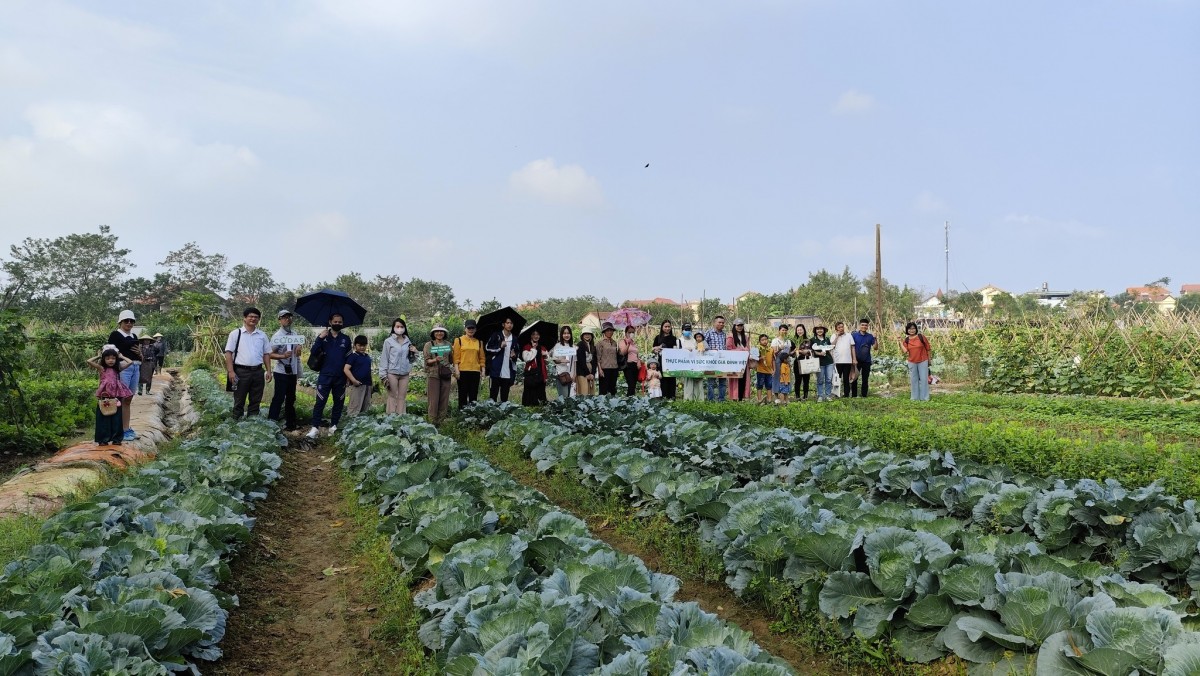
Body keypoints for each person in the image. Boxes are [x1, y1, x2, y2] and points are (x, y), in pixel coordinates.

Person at [306, 313, 353, 439]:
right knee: (320, 402)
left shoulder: (346, 339)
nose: (337, 324)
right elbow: (314, 352)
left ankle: (334, 427)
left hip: (340, 377)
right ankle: (315, 428)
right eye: (335, 321)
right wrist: (320, 338)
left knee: (339, 402)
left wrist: (348, 377)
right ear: (330, 322)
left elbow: (349, 359)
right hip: (325, 375)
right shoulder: (323, 337)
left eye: (340, 322)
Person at [224, 307, 273, 420]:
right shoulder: (236, 333)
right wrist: (231, 371)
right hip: (241, 372)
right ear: (245, 318)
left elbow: (266, 354)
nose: (253, 319)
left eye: (256, 317)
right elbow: (228, 353)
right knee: (239, 399)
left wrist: (268, 370)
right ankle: (236, 422)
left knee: (256, 399)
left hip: (257, 371)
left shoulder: (262, 335)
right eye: (251, 316)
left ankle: (252, 422)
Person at [87, 345, 133, 445]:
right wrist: (98, 356)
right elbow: (89, 361)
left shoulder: (118, 368)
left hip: (116, 396)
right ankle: (103, 439)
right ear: (104, 359)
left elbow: (130, 362)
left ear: (116, 359)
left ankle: (116, 439)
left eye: (113, 358)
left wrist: (121, 356)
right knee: (103, 417)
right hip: (104, 396)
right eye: (107, 358)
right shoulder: (101, 368)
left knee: (117, 418)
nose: (111, 360)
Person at [108, 310, 141, 441]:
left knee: (128, 399)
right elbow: (110, 351)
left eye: (131, 321)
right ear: (120, 322)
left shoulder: (133, 336)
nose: (129, 323)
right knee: (120, 399)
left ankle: (126, 428)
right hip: (123, 368)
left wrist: (140, 354)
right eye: (126, 320)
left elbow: (137, 352)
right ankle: (117, 429)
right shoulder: (115, 335)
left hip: (136, 367)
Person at [267, 310, 302, 430]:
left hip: (292, 371)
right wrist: (282, 356)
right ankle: (271, 423)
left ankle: (291, 424)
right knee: (279, 398)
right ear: (280, 320)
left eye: (289, 317)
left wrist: (299, 347)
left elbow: (298, 348)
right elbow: (269, 354)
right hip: (281, 372)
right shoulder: (277, 336)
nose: (287, 319)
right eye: (284, 317)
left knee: (291, 398)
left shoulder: (294, 334)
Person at [379, 318, 418, 415]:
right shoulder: (388, 341)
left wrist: (415, 352)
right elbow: (384, 358)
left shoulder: (408, 342)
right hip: (392, 373)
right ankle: (391, 419)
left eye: (401, 326)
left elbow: (412, 359)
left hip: (405, 374)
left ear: (404, 328)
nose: (399, 328)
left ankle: (401, 418)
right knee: (392, 396)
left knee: (402, 397)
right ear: (393, 328)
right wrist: (383, 375)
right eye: (397, 326)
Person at [424, 325, 454, 424]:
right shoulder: (429, 345)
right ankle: (432, 421)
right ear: (433, 333)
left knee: (444, 398)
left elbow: (451, 359)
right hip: (433, 374)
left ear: (444, 333)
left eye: (442, 331)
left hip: (445, 374)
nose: (439, 333)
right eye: (437, 331)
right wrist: (435, 360)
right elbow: (427, 360)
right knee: (433, 399)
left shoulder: (448, 345)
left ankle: (441, 421)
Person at [453, 319, 485, 408]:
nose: (471, 330)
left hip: (475, 371)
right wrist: (457, 371)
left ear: (475, 329)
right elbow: (456, 357)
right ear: (465, 329)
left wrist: (483, 370)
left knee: (473, 395)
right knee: (462, 394)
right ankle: (462, 414)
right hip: (463, 371)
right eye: (469, 328)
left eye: (473, 328)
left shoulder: (479, 342)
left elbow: (482, 358)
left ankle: (472, 415)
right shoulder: (458, 340)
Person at [485, 318, 519, 402]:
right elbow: (487, 348)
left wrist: (514, 356)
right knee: (493, 395)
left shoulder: (514, 338)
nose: (509, 325)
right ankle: (492, 412)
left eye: (511, 323)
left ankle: (503, 413)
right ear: (503, 324)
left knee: (504, 396)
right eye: (507, 323)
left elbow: (518, 352)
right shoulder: (496, 335)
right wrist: (500, 346)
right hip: (495, 369)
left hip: (508, 371)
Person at [901, 321, 932, 401]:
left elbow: (928, 349)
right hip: (912, 362)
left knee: (924, 379)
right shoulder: (907, 340)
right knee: (914, 380)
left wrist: (929, 360)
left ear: (916, 329)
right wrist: (899, 342)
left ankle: (925, 398)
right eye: (910, 329)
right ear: (907, 330)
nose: (912, 330)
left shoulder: (921, 337)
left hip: (923, 360)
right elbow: (905, 351)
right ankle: (914, 398)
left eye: (913, 328)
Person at [344, 335, 373, 417]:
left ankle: (361, 424)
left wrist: (371, 384)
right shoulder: (353, 356)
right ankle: (351, 423)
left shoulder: (367, 357)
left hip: (367, 384)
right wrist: (354, 381)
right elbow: (346, 369)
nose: (362, 347)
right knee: (355, 406)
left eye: (364, 345)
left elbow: (368, 371)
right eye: (359, 345)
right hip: (357, 384)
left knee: (365, 406)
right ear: (355, 345)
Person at [520, 328, 550, 406]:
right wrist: (533, 349)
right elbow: (526, 359)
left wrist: (546, 355)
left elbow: (547, 362)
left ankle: (541, 408)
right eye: (534, 334)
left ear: (539, 336)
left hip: (541, 373)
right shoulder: (527, 347)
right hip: (531, 374)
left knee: (541, 392)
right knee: (530, 393)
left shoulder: (543, 347)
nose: (536, 336)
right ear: (531, 336)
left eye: (537, 334)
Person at [650, 320, 679, 399]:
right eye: (665, 326)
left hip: (671, 363)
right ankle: (663, 397)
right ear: (662, 327)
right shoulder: (658, 337)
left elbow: (676, 349)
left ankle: (672, 397)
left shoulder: (674, 338)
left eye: (669, 326)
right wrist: (656, 348)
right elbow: (653, 349)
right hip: (661, 362)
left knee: (671, 379)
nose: (667, 328)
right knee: (663, 379)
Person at [703, 316, 728, 402]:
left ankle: (721, 399)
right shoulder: (708, 333)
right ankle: (711, 400)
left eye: (723, 323)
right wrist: (709, 349)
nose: (721, 324)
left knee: (723, 382)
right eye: (719, 322)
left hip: (722, 362)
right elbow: (702, 343)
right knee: (711, 382)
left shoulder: (724, 334)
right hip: (711, 362)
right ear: (714, 323)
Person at [725, 319, 751, 401]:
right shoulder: (730, 336)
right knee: (736, 379)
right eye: (738, 325)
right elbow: (728, 349)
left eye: (741, 325)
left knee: (743, 379)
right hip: (735, 362)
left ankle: (741, 397)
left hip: (744, 362)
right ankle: (734, 397)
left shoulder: (745, 337)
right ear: (734, 326)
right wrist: (740, 350)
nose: (740, 327)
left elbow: (748, 348)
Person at [831, 322, 857, 400]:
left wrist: (854, 358)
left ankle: (846, 394)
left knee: (846, 378)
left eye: (842, 327)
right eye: (839, 327)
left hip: (847, 361)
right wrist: (837, 336)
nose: (841, 328)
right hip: (837, 361)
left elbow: (852, 348)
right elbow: (832, 346)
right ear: (836, 329)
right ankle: (837, 393)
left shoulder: (849, 335)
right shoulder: (833, 336)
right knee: (837, 378)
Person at [679, 323, 704, 401]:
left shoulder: (694, 340)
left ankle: (699, 401)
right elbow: (677, 352)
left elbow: (700, 348)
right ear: (682, 330)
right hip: (686, 365)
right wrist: (685, 351)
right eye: (686, 329)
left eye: (689, 329)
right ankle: (688, 401)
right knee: (688, 383)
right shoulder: (679, 340)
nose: (688, 331)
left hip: (696, 364)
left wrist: (701, 348)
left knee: (698, 383)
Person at [852, 319, 876, 398]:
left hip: (867, 361)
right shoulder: (854, 335)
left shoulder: (870, 336)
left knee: (865, 379)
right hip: (856, 360)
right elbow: (851, 347)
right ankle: (854, 395)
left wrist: (875, 338)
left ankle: (864, 395)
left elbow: (875, 347)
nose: (864, 326)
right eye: (862, 325)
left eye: (865, 325)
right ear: (859, 325)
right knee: (854, 378)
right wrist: (853, 359)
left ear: (867, 326)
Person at [551, 326, 576, 400]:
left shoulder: (573, 347)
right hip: (562, 375)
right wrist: (562, 360)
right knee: (563, 397)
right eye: (564, 333)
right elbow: (554, 360)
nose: (566, 335)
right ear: (561, 335)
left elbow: (575, 362)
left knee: (571, 396)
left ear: (570, 334)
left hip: (571, 375)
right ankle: (562, 411)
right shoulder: (557, 346)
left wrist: (574, 375)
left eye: (568, 333)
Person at [810, 325, 834, 402]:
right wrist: (819, 354)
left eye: (821, 329)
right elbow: (811, 351)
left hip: (829, 362)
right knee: (820, 380)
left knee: (829, 379)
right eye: (818, 329)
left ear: (824, 330)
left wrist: (833, 360)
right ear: (815, 331)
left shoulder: (827, 339)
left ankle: (828, 395)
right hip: (819, 362)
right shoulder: (812, 340)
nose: (819, 331)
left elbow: (830, 349)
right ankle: (820, 395)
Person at [596, 322, 620, 396]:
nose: (609, 332)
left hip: (614, 368)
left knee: (612, 389)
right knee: (603, 389)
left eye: (611, 330)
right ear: (604, 332)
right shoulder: (600, 343)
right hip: (604, 368)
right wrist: (600, 369)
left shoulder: (614, 342)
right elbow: (598, 357)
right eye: (607, 330)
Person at [771, 324, 792, 404]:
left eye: (786, 330)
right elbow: (774, 354)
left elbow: (788, 353)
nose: (784, 331)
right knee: (777, 377)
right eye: (782, 330)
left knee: (786, 378)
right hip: (777, 361)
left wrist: (789, 361)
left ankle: (786, 397)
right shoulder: (775, 340)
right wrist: (780, 348)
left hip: (786, 362)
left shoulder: (788, 341)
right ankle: (776, 396)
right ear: (779, 331)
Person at [792, 325, 813, 402]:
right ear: (796, 331)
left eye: (801, 330)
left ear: (804, 330)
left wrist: (807, 351)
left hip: (807, 362)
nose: (799, 331)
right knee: (798, 380)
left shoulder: (808, 340)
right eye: (798, 330)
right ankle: (797, 396)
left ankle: (805, 396)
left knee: (806, 380)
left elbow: (811, 351)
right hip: (797, 362)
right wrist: (796, 351)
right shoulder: (793, 341)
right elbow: (791, 353)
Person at [618, 326, 640, 396]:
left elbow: (637, 354)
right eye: (629, 332)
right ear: (626, 333)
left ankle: (633, 400)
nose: (631, 334)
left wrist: (639, 361)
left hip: (635, 365)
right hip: (628, 365)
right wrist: (628, 343)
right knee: (631, 384)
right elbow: (623, 353)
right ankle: (628, 401)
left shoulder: (634, 342)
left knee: (634, 384)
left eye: (633, 332)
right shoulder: (622, 341)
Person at [575, 328, 597, 396]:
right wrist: (587, 373)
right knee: (584, 390)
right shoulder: (580, 345)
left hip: (590, 369)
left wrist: (592, 373)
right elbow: (581, 361)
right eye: (585, 334)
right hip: (582, 371)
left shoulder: (592, 346)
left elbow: (594, 360)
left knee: (591, 391)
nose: (587, 335)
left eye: (589, 334)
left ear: (591, 335)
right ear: (582, 336)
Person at [754, 334, 773, 404]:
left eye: (766, 339)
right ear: (759, 341)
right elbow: (753, 359)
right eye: (762, 340)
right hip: (760, 371)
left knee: (769, 386)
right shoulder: (757, 349)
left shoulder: (770, 349)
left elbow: (773, 360)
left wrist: (774, 369)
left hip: (769, 371)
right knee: (759, 385)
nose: (765, 341)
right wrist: (760, 358)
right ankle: (759, 400)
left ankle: (769, 400)